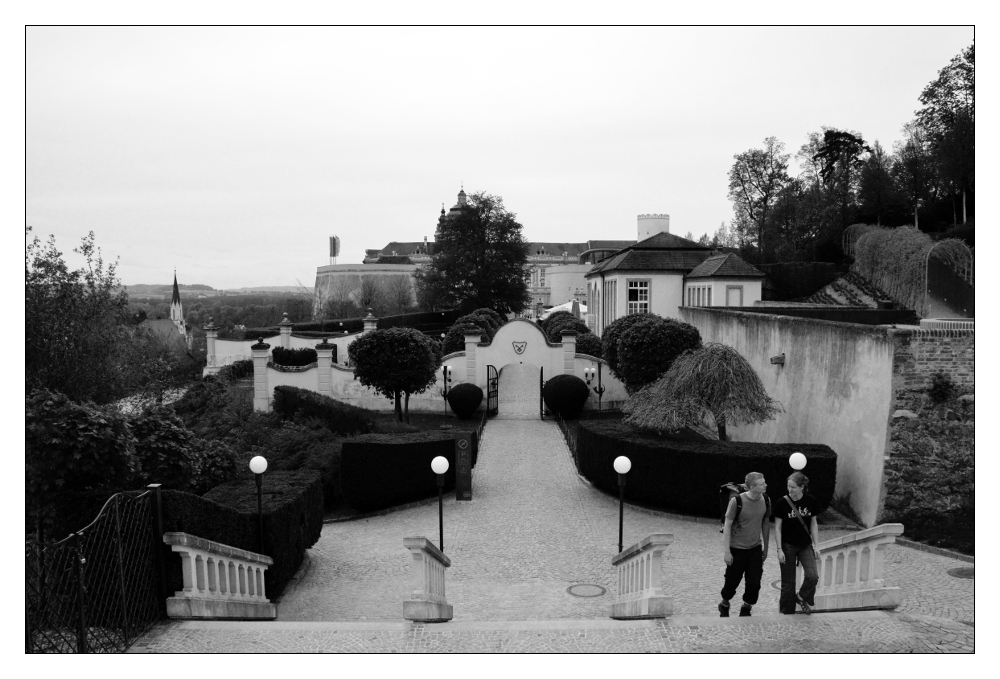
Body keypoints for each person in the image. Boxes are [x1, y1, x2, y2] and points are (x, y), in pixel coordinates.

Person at [719, 471, 770, 617]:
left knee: (754, 582)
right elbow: (727, 525)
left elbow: (765, 523)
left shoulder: (766, 500)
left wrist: (766, 547)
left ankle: (746, 607)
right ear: (752, 487)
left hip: (755, 548)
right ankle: (724, 603)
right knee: (732, 581)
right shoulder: (737, 502)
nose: (766, 485)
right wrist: (727, 551)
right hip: (737, 549)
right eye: (762, 483)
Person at [774, 471, 821, 614]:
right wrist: (779, 549)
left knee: (813, 576)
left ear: (802, 487)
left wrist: (817, 545)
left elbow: (813, 524)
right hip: (787, 546)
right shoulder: (782, 502)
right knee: (788, 583)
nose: (790, 490)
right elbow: (777, 527)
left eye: (793, 487)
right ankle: (786, 612)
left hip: (805, 545)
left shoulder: (811, 501)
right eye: (788, 486)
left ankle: (801, 597)